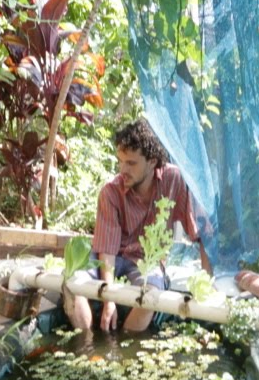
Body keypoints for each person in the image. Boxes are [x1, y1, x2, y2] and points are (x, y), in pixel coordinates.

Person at [69, 119, 213, 333]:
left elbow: (201, 232)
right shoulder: (110, 192)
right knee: (72, 283)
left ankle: (123, 348)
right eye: (120, 161)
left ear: (152, 161)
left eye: (131, 163)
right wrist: (108, 299)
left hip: (147, 261)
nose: (122, 169)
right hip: (113, 258)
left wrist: (207, 286)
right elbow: (107, 251)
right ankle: (88, 345)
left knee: (151, 297)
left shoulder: (173, 179)